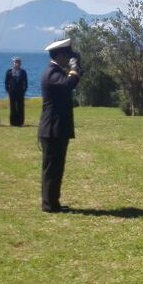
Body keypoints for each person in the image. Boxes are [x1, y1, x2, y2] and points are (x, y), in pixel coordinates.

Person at [38, 39, 83, 213]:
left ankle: (53, 202)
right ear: (60, 55)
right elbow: (68, 84)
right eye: (67, 56)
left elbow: (72, 81)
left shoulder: (56, 72)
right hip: (52, 129)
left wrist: (76, 69)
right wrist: (73, 70)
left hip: (56, 128)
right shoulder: (52, 73)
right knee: (52, 169)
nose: (69, 59)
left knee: (57, 167)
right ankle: (49, 204)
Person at [5, 56, 28, 127]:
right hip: (12, 92)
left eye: (18, 62)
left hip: (20, 92)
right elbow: (6, 82)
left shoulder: (23, 72)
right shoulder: (9, 72)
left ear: (20, 63)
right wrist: (8, 91)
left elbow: (26, 82)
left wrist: (24, 91)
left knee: (20, 107)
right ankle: (13, 122)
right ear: (13, 63)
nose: (17, 64)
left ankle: (20, 122)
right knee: (13, 107)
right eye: (16, 62)